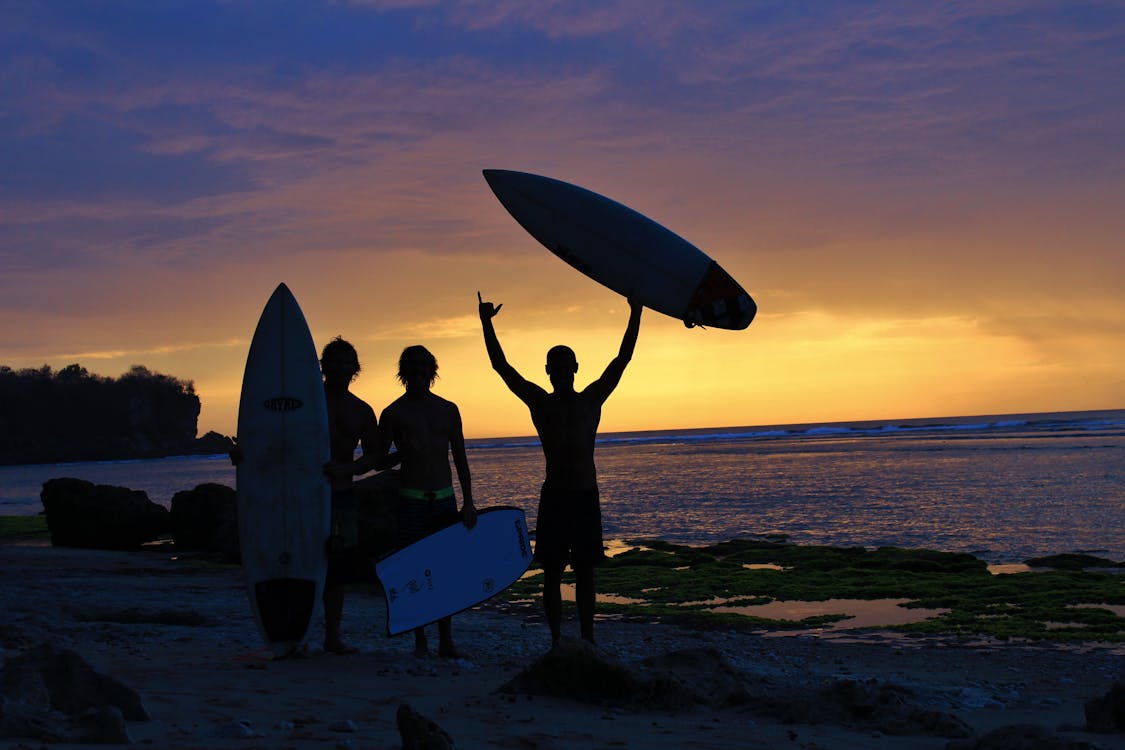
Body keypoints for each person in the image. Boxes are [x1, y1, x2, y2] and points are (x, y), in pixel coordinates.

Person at [478, 291, 642, 647]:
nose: (563, 370)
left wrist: (637, 310)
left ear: (576, 369)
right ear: (549, 371)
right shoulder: (540, 402)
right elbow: (502, 368)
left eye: (568, 364)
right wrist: (486, 323)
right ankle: (555, 640)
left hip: (585, 495)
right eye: (556, 365)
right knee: (551, 572)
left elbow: (623, 358)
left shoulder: (591, 400)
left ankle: (587, 638)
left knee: (585, 572)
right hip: (554, 496)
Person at [379, 345, 477, 658]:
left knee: (445, 570)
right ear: (403, 371)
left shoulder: (448, 409)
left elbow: (460, 458)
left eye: (424, 366)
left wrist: (469, 502)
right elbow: (379, 460)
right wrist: (401, 453)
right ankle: (420, 639)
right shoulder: (393, 413)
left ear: (432, 370)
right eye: (413, 366)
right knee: (415, 570)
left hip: (445, 500)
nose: (419, 371)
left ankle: (446, 640)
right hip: (411, 500)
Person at [320, 336, 394, 654]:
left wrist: (348, 470)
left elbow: (374, 456)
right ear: (323, 366)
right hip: (303, 497)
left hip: (341, 497)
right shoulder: (304, 402)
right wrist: (245, 454)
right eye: (333, 361)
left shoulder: (362, 410)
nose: (339, 367)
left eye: (346, 362)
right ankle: (290, 630)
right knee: (300, 558)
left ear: (356, 368)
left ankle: (331, 637)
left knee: (337, 568)